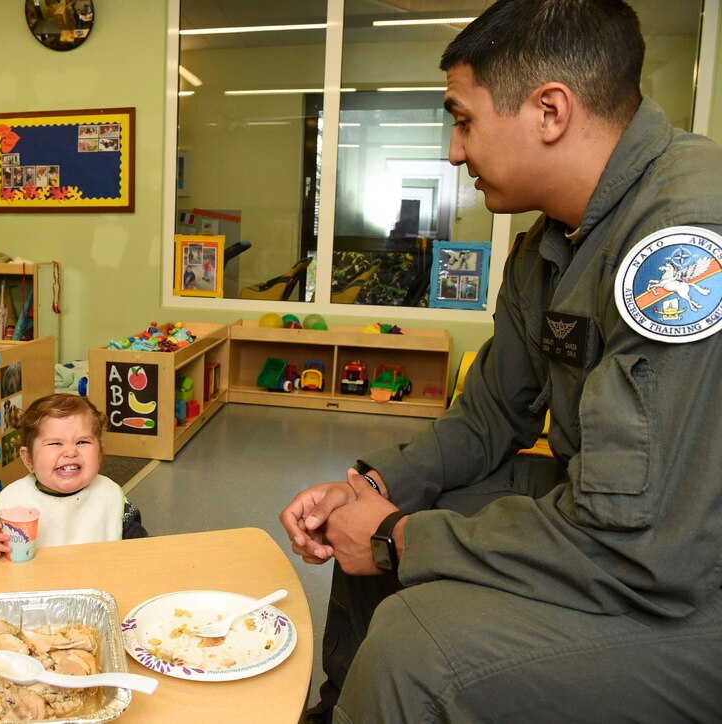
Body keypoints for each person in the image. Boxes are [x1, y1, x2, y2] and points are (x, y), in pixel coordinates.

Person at [281, 1, 722, 721]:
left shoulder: (685, 244)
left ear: (550, 110)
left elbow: (643, 544)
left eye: (462, 120)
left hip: (689, 576)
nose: (454, 152)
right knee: (380, 510)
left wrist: (398, 538)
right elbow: (489, 413)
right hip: (623, 517)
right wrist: (373, 491)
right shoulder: (551, 243)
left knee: (413, 648)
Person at [0, 394, 146, 556]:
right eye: (55, 443)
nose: (70, 452)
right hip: (33, 586)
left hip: (98, 584)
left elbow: (142, 548)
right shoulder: (13, 501)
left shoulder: (108, 496)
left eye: (82, 442)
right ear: (28, 459)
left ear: (100, 453)